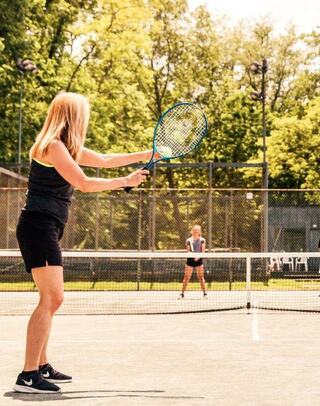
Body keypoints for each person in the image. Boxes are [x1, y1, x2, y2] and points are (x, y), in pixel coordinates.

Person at [14, 92, 151, 394]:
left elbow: (104, 160)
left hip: (47, 226)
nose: (85, 119)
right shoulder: (53, 146)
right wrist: (125, 181)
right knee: (52, 298)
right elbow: (85, 183)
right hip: (39, 226)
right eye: (83, 114)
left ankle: (41, 363)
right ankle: (27, 375)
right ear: (72, 116)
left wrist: (145, 153)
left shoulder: (65, 147)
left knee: (52, 299)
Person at [180, 225, 207, 299]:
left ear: (199, 232)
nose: (195, 232)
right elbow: (188, 251)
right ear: (192, 231)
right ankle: (182, 294)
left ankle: (205, 294)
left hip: (199, 260)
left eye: (197, 231)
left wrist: (198, 257)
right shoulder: (189, 240)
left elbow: (203, 251)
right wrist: (193, 256)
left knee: (201, 277)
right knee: (186, 277)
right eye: (194, 230)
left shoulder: (202, 240)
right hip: (190, 260)